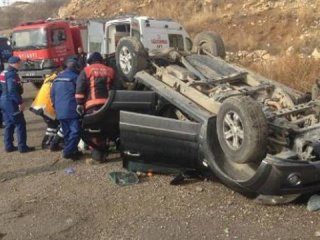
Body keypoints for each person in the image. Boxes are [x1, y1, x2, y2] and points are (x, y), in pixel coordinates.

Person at [75, 52, 115, 162]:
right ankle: (104, 149)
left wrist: (79, 103)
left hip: (92, 106)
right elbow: (116, 87)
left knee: (93, 130)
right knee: (106, 128)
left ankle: (97, 152)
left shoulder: (86, 71)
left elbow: (80, 88)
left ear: (90, 61)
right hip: (108, 105)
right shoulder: (110, 70)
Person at [0, 56, 35, 153]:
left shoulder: (3, 73)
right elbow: (13, 91)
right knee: (20, 123)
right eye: (20, 62)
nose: (21, 64)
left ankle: (8, 146)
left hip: (3, 100)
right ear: (15, 63)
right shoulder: (12, 75)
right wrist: (20, 102)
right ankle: (22, 147)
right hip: (11, 102)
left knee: (9, 124)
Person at [51, 57, 82, 160]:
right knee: (76, 131)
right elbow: (80, 93)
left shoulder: (57, 78)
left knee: (67, 132)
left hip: (60, 110)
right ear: (76, 67)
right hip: (72, 110)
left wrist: (55, 106)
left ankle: (74, 152)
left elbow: (52, 95)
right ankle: (68, 151)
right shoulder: (76, 78)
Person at [29, 72, 64, 150]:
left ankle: (47, 143)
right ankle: (47, 143)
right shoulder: (57, 80)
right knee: (54, 124)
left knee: (52, 124)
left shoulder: (50, 78)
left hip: (38, 104)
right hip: (46, 106)